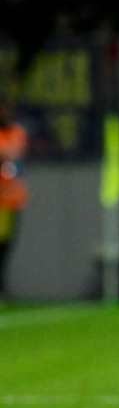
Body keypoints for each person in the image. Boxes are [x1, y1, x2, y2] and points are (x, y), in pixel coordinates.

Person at [0, 99, 28, 299]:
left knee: (7, 244)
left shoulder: (17, 132)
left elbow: (14, 155)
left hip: (14, 198)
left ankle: (2, 287)